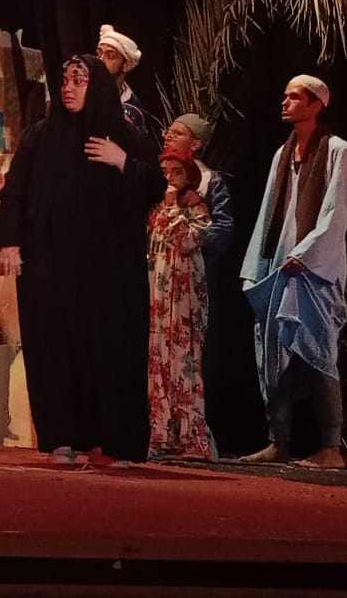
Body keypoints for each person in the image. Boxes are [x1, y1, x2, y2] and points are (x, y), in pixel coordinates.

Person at [0, 54, 163, 464]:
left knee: (110, 348)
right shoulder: (40, 137)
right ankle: (61, 437)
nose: (67, 88)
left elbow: (155, 187)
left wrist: (123, 163)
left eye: (78, 80)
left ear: (98, 87)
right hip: (50, 264)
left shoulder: (123, 135)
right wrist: (9, 243)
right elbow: (14, 192)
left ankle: (115, 439)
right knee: (54, 346)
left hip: (108, 269)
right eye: (65, 80)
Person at [240, 75, 347, 469]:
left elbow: (337, 212)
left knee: (318, 353)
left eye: (294, 97)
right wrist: (255, 267)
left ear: (316, 104)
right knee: (272, 356)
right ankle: (279, 441)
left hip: (315, 270)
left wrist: (306, 254)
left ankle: (331, 447)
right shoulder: (282, 153)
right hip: (280, 265)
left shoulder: (339, 151)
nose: (285, 102)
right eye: (285, 96)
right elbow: (267, 212)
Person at [147, 148, 214, 459]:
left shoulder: (195, 207)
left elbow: (188, 240)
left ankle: (190, 437)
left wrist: (176, 206)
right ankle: (160, 434)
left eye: (176, 172)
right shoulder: (154, 207)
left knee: (183, 357)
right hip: (158, 286)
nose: (169, 178)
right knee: (158, 355)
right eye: (165, 172)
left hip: (184, 288)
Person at [96, 23, 160, 154]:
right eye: (99, 53)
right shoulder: (81, 91)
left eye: (110, 55)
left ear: (126, 65)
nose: (100, 60)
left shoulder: (131, 111)